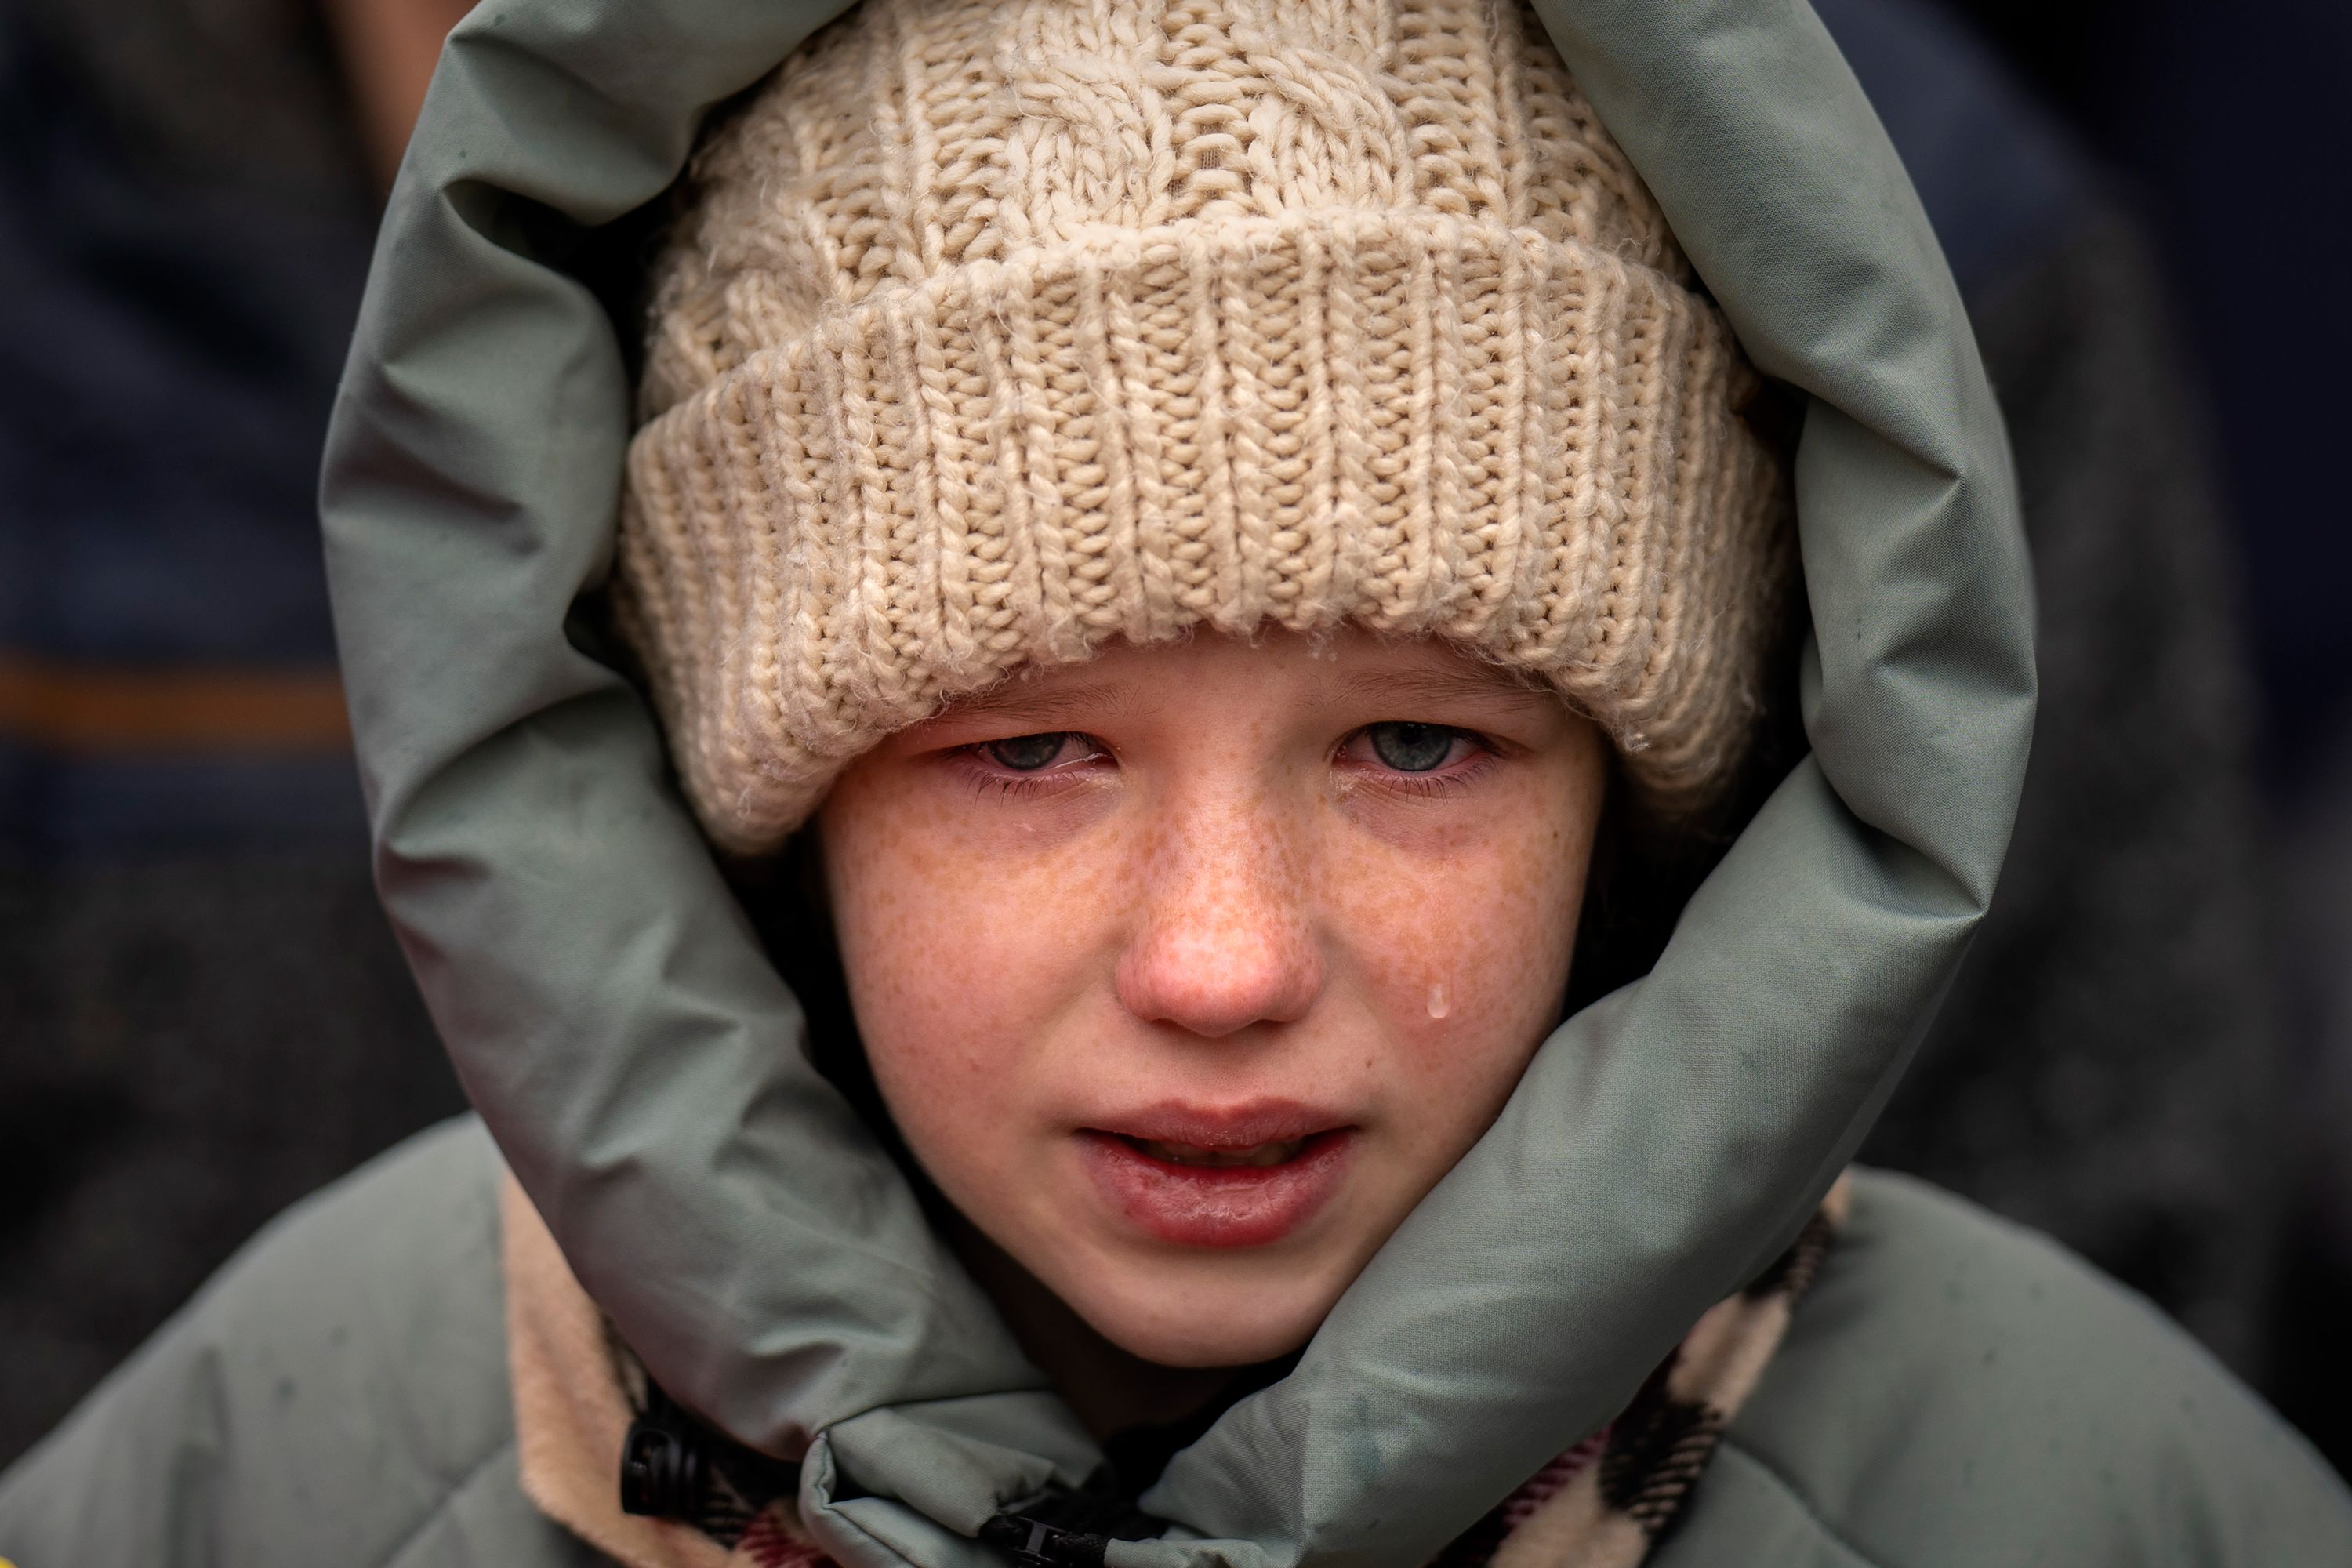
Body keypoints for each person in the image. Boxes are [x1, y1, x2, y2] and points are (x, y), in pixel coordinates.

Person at [2, 2, 2347, 1565]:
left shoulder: (2067, 1484)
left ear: (1655, 794)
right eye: (1022, 751)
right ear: (754, 793)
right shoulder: (313, 1452)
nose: (1222, 960)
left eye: (1419, 742)